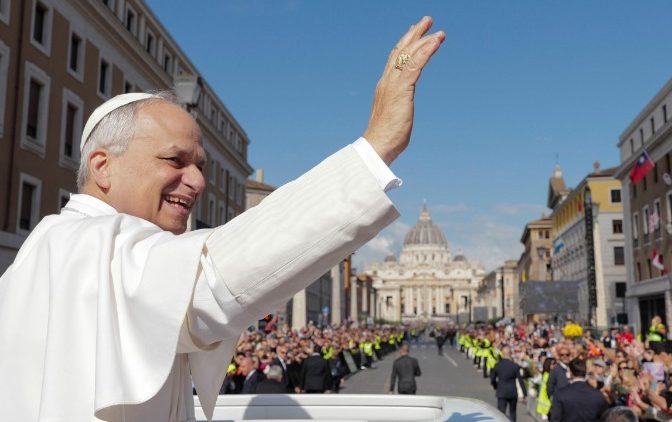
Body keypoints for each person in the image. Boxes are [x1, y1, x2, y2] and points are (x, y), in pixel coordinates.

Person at [0, 17, 445, 421]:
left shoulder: (48, 251)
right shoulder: (90, 244)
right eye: (175, 160)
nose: (196, 182)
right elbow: (215, 279)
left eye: (200, 167)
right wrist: (375, 148)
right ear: (102, 166)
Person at [491, 346, 527, 421]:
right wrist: (524, 393)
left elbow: (493, 379)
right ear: (510, 353)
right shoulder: (515, 366)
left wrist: (496, 386)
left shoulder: (498, 365)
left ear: (502, 354)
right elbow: (521, 380)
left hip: (501, 390)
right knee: (512, 413)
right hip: (512, 391)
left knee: (501, 413)